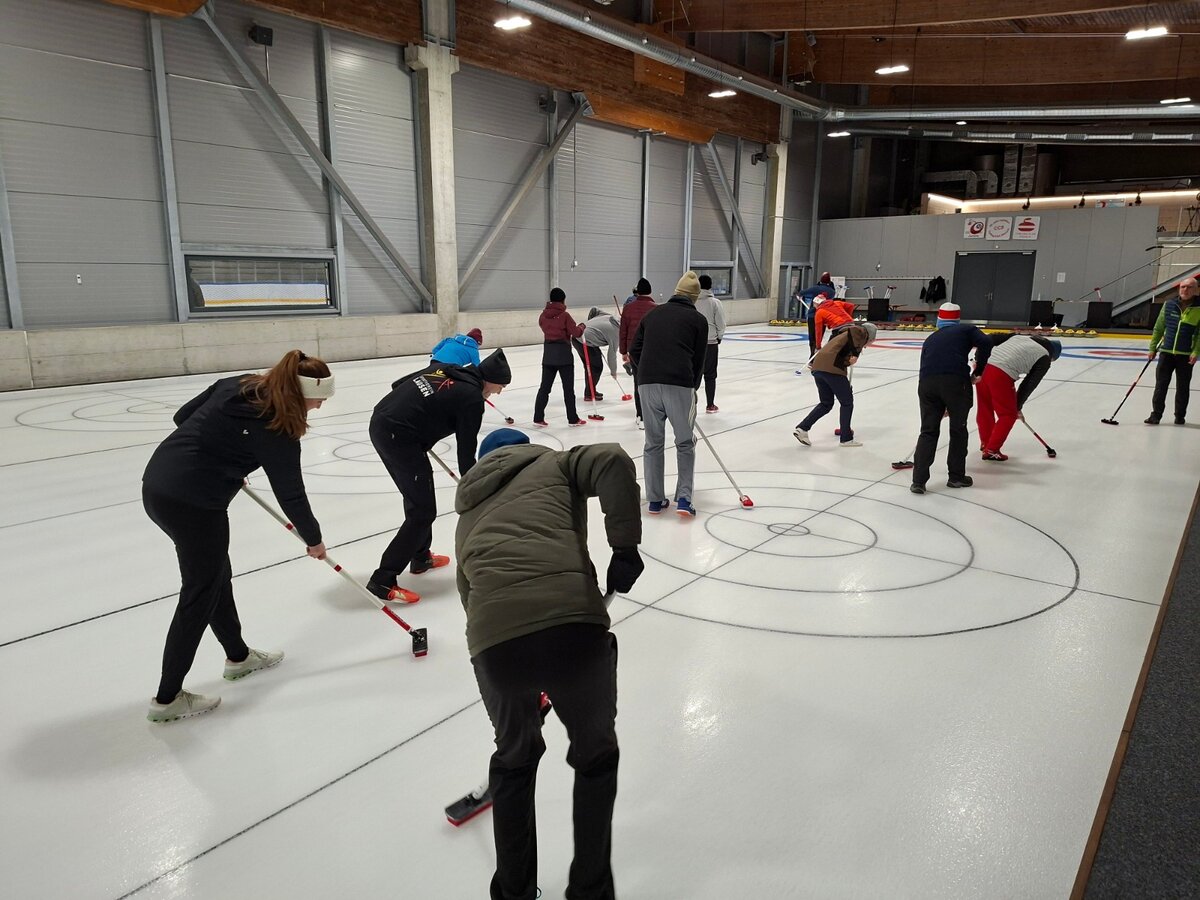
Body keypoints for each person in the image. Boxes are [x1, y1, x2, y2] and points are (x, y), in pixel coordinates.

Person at [455, 428, 643, 900]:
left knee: (514, 761)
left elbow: (469, 600)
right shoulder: (555, 463)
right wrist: (624, 547)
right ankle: (590, 891)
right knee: (595, 758)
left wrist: (514, 664)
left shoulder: (466, 517)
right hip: (572, 630)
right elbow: (611, 459)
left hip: (495, 649)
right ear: (524, 448)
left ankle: (513, 892)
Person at [141, 350, 334, 723]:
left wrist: (225, 455)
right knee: (200, 592)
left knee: (215, 577)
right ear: (298, 394)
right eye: (317, 398)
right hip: (195, 504)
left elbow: (182, 417)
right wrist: (314, 539)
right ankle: (167, 698)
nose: (320, 406)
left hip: (159, 484)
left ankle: (238, 656)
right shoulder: (279, 430)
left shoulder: (237, 384)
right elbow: (292, 495)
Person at [368, 348, 512, 603]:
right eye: (500, 386)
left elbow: (398, 385)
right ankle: (383, 579)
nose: (499, 392)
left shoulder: (446, 368)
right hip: (398, 436)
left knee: (418, 496)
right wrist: (473, 488)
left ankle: (421, 557)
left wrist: (420, 418)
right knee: (422, 512)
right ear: (490, 380)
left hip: (383, 420)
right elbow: (466, 451)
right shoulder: (472, 399)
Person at [630, 271, 708, 516]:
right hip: (679, 384)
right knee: (685, 442)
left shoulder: (652, 314)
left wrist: (646, 371)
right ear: (694, 298)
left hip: (647, 384)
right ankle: (683, 499)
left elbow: (634, 349)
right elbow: (699, 360)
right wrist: (692, 387)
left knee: (653, 443)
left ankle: (655, 500)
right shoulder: (698, 320)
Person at [910, 323, 992, 494]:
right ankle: (956, 477)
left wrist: (940, 399)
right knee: (958, 429)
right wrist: (979, 371)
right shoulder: (968, 329)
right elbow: (986, 342)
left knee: (928, 431)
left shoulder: (932, 337)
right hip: (955, 382)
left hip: (927, 384)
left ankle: (918, 481)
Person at [975, 335, 1060, 460]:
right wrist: (1017, 407)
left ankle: (986, 443)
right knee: (1008, 415)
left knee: (985, 408)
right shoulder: (1044, 358)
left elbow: (988, 339)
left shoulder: (1018, 337)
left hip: (983, 369)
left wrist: (979, 359)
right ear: (1052, 355)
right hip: (1000, 374)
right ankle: (992, 450)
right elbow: (1029, 384)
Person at [794, 323, 877, 448]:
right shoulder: (859, 332)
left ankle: (802, 428)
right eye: (871, 341)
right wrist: (855, 353)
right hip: (831, 369)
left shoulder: (844, 337)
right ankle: (846, 438)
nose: (867, 345)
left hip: (819, 367)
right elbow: (855, 330)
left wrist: (849, 360)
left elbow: (840, 358)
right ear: (869, 336)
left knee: (826, 404)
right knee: (847, 402)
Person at [1145, 276, 1199, 425]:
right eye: (1183, 287)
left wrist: (1195, 352)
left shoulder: (1199, 308)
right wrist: (1152, 348)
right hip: (1166, 353)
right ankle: (1156, 415)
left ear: (1196, 290)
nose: (1185, 290)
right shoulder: (1169, 304)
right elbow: (1159, 328)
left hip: (1186, 355)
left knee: (1183, 387)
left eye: (1189, 287)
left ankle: (1180, 415)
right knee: (1160, 385)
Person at [534, 288, 586, 427]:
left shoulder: (543, 315)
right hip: (564, 356)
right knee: (568, 390)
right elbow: (576, 333)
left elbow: (544, 327)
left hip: (548, 356)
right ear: (563, 300)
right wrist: (582, 327)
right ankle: (572, 419)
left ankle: (538, 417)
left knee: (544, 388)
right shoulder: (565, 316)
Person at [619, 279, 656, 429]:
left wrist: (623, 351)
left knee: (638, 382)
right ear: (650, 291)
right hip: (651, 350)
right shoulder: (655, 308)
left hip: (633, 350)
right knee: (651, 383)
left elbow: (623, 331)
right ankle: (650, 414)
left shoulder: (628, 308)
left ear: (637, 292)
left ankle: (640, 415)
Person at [695, 274, 727, 413]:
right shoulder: (715, 303)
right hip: (711, 344)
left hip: (695, 344)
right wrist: (719, 337)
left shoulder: (692, 302)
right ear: (710, 286)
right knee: (710, 375)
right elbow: (721, 323)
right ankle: (710, 405)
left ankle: (688, 402)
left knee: (694, 374)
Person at [574, 307, 620, 403]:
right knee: (595, 367)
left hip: (579, 335)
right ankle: (589, 394)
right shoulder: (616, 332)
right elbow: (612, 355)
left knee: (592, 366)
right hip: (582, 340)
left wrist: (589, 325)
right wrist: (613, 371)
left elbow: (594, 310)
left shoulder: (610, 316)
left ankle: (590, 391)